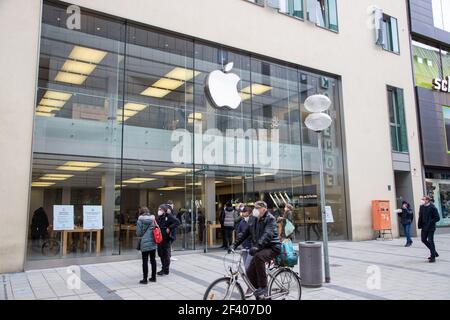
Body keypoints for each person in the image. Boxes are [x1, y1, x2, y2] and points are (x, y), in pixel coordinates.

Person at [229, 201, 281, 298]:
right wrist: (234, 245)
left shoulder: (270, 219)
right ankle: (259, 292)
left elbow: (267, 234)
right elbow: (245, 233)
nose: (255, 210)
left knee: (258, 257)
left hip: (272, 247)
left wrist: (257, 246)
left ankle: (264, 287)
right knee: (249, 272)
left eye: (257, 208)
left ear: (264, 209)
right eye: (254, 208)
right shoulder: (253, 219)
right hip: (261, 247)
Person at [156, 204, 180, 275]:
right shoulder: (159, 217)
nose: (159, 211)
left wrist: (169, 228)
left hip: (166, 238)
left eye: (160, 209)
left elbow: (177, 222)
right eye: (158, 209)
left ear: (164, 210)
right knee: (160, 253)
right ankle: (164, 268)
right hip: (159, 238)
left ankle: (165, 269)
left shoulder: (169, 216)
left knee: (165, 254)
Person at [136, 207, 157, 284]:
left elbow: (139, 233)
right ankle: (153, 277)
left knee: (145, 261)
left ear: (140, 212)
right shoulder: (153, 219)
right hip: (153, 242)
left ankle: (145, 279)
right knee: (153, 260)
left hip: (144, 243)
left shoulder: (139, 220)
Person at [418, 196, 440, 263]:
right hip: (424, 226)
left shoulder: (432, 207)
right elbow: (420, 216)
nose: (422, 200)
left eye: (423, 199)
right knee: (423, 239)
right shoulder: (421, 207)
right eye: (422, 199)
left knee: (430, 240)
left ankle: (433, 257)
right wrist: (419, 224)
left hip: (431, 227)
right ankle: (434, 252)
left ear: (427, 200)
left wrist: (430, 222)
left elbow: (437, 218)